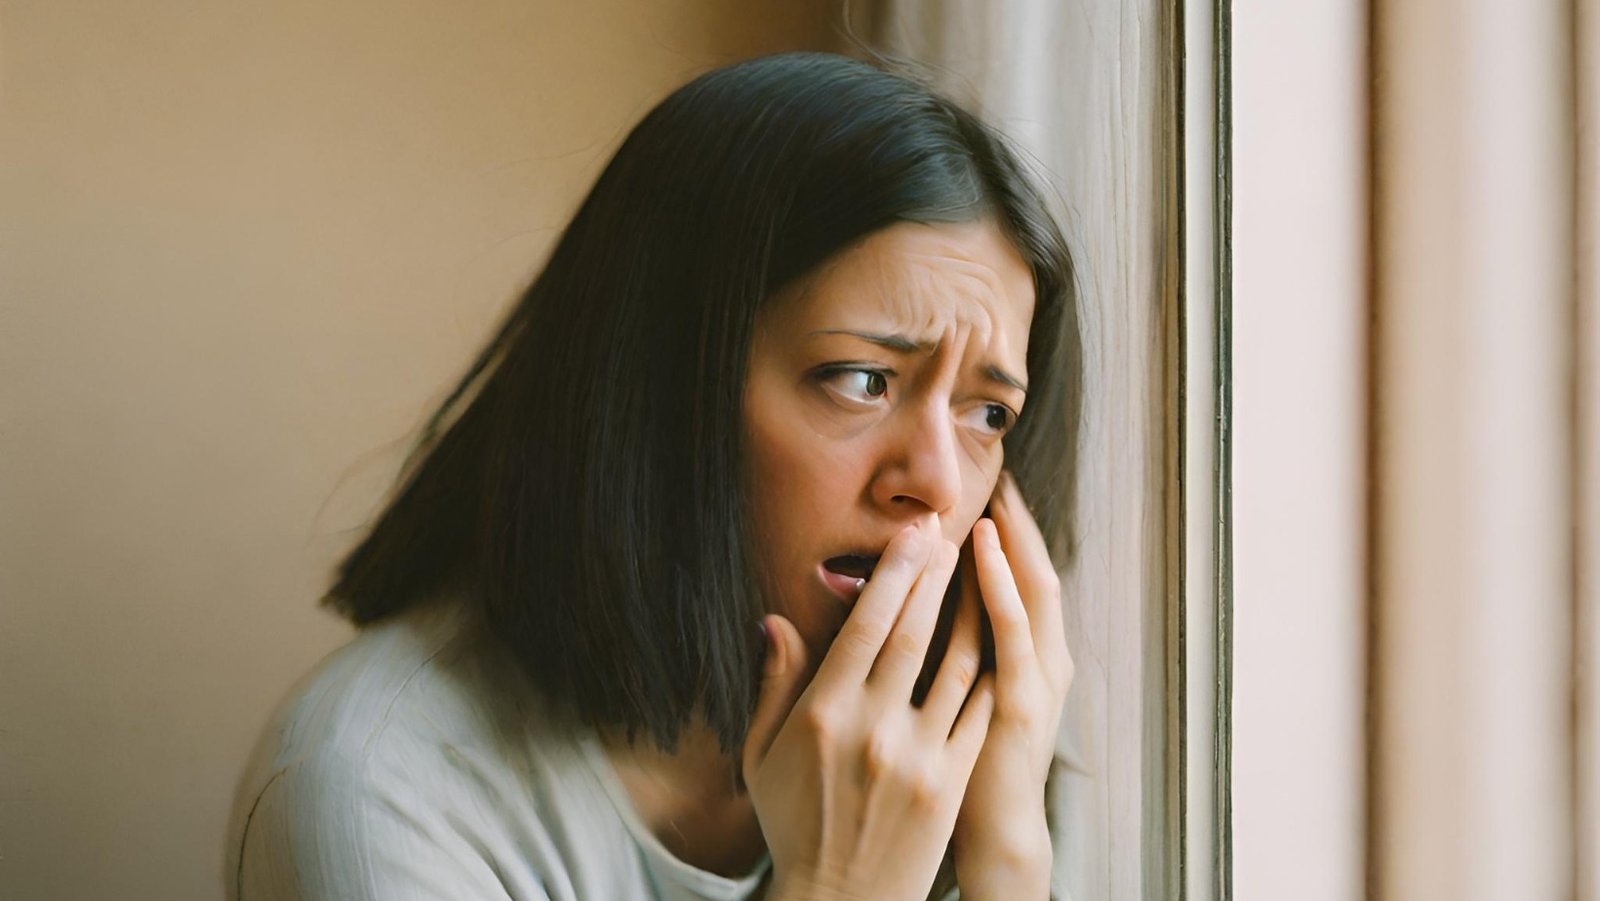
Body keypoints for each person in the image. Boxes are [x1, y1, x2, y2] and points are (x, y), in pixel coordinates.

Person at [225, 50, 1082, 901]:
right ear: (663, 385)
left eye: (987, 414)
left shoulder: (952, 781)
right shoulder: (375, 795)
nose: (934, 480)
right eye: (861, 380)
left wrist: (1005, 860)